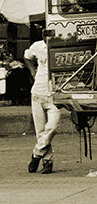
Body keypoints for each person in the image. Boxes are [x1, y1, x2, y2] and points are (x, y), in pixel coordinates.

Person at [24, 33, 60, 175]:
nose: (47, 35)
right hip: (38, 92)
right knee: (41, 130)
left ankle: (36, 155)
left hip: (54, 94)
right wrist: (33, 72)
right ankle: (47, 162)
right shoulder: (37, 46)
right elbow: (27, 56)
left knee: (52, 127)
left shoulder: (60, 46)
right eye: (45, 33)